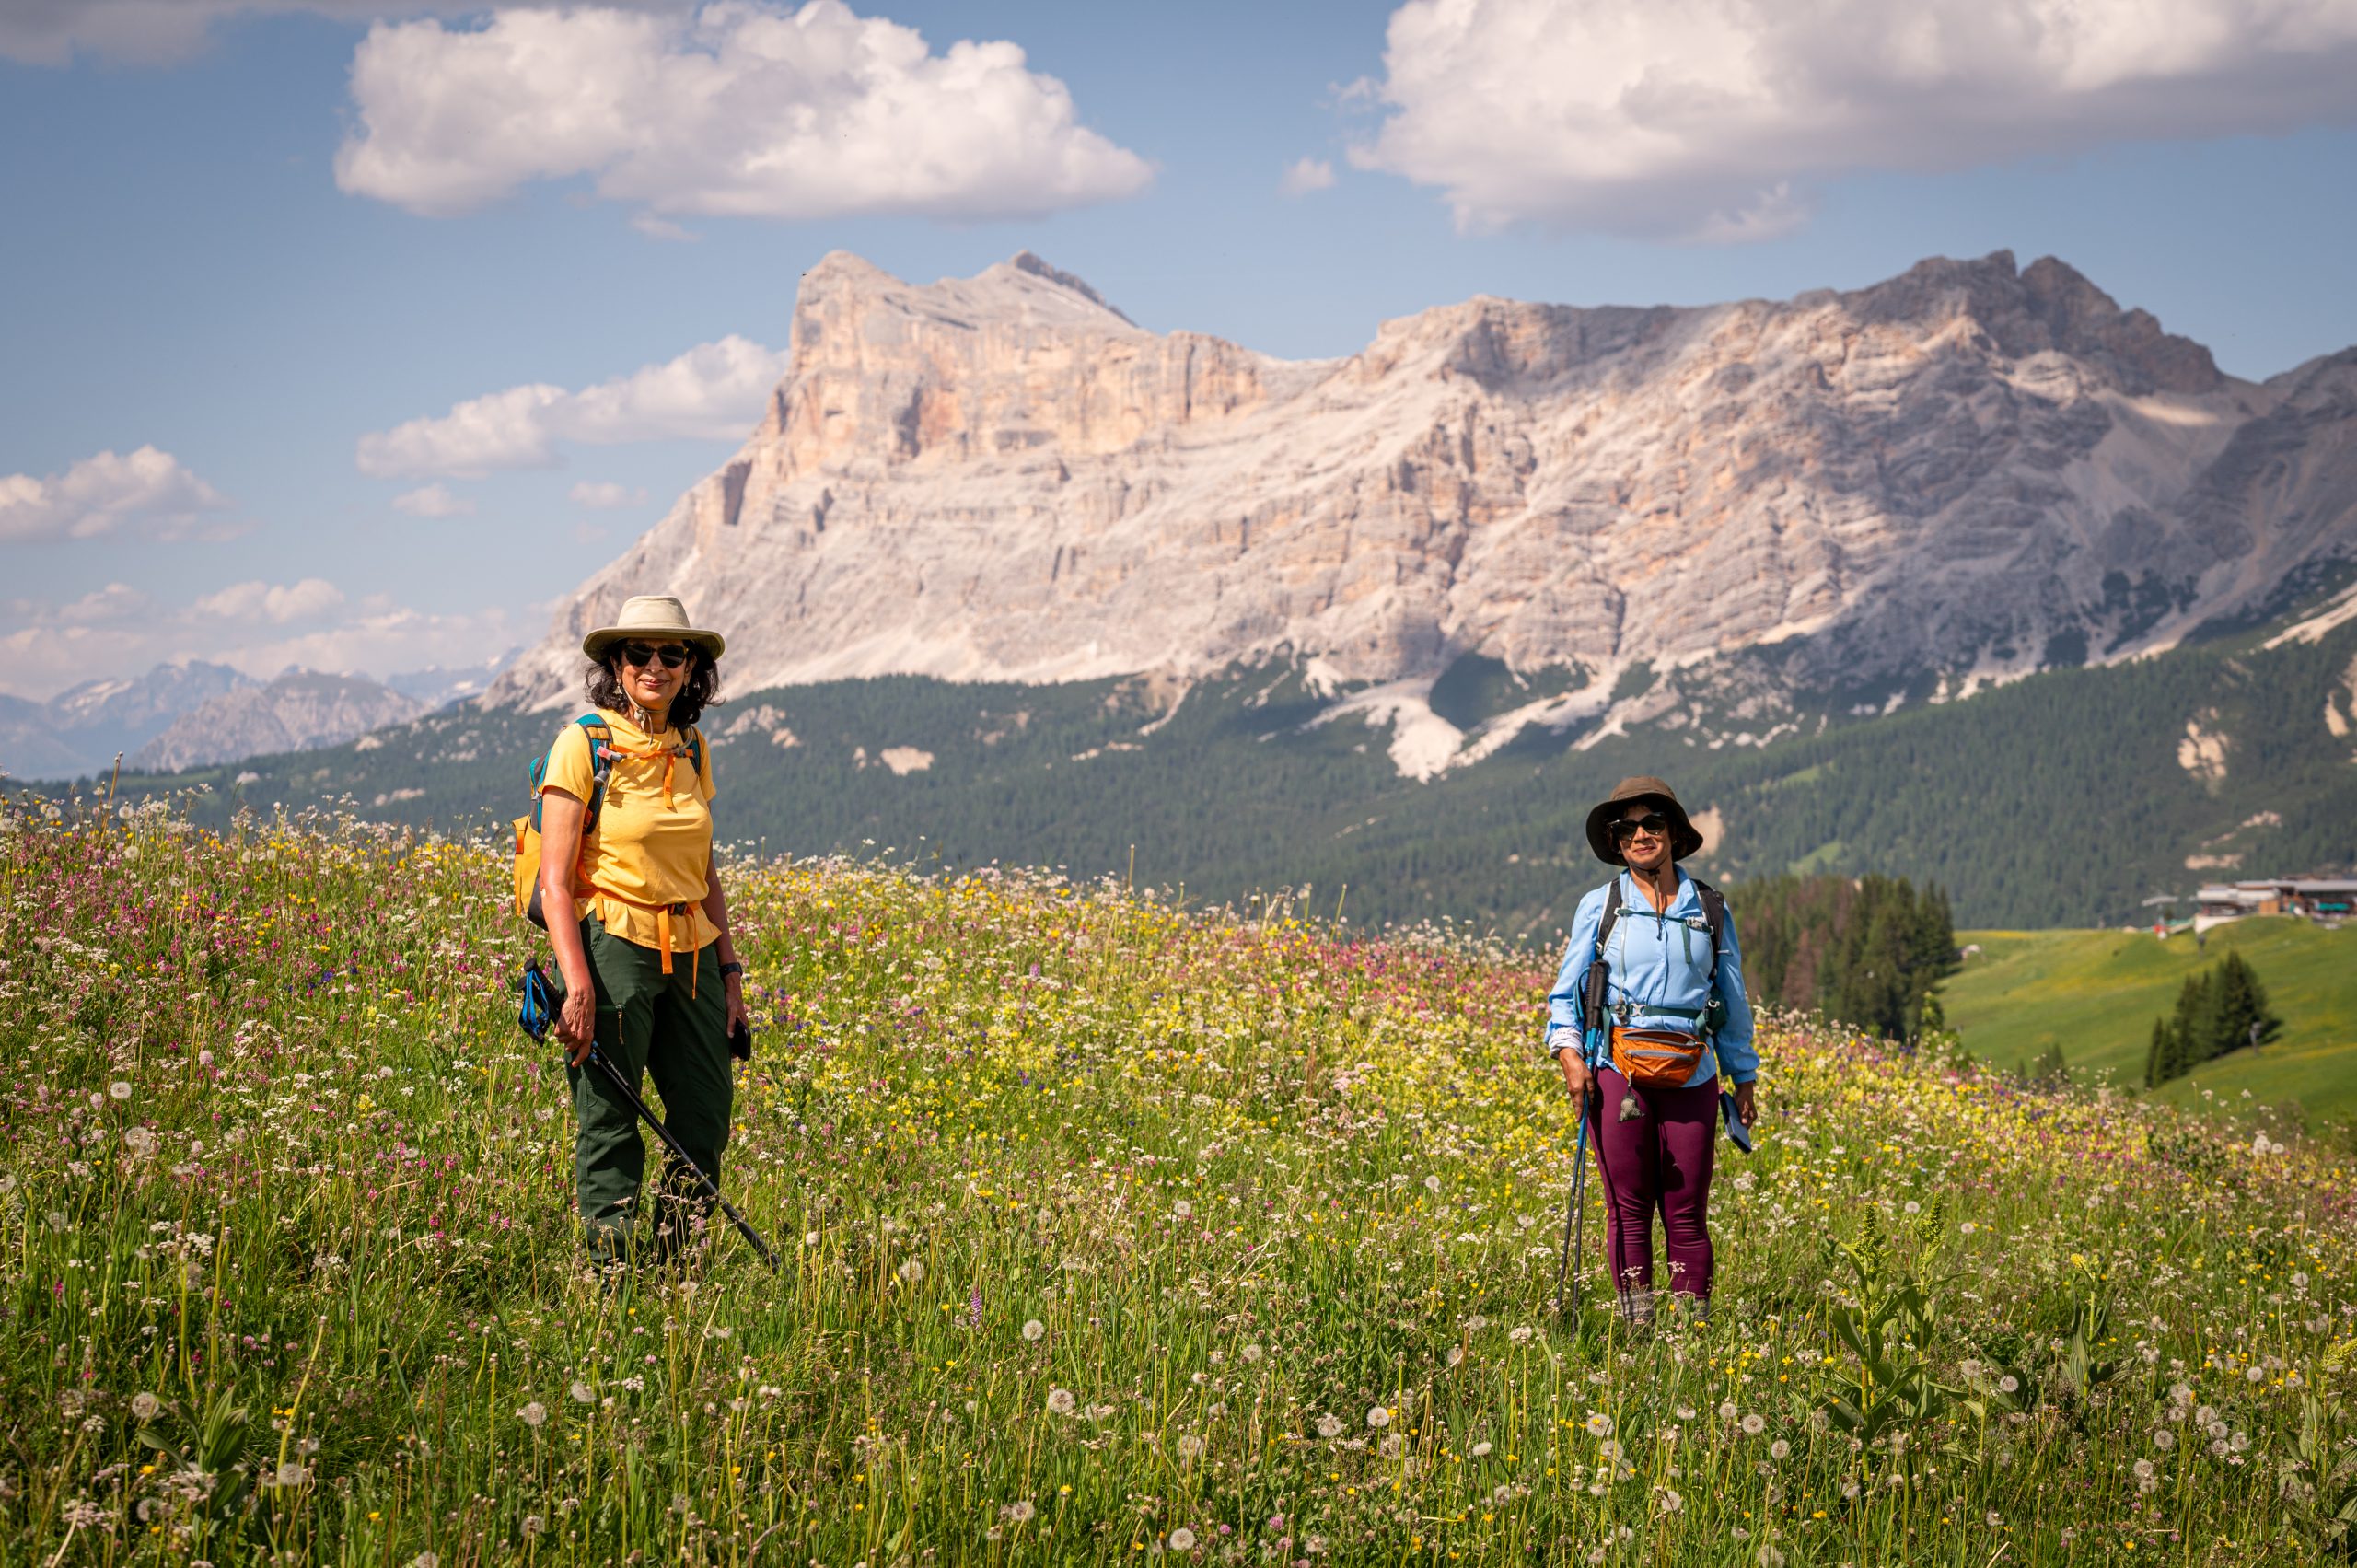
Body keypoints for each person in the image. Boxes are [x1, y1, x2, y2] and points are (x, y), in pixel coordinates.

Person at [539, 595, 749, 1274]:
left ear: (693, 668)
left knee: (705, 1119)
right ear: (616, 664)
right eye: (639, 653)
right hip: (613, 948)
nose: (655, 665)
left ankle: (673, 1262)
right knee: (610, 1118)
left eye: (672, 653)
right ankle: (610, 1276)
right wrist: (575, 981)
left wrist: (731, 974)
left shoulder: (690, 746)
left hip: (692, 953)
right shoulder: (584, 743)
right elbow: (553, 879)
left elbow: (704, 867)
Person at [1545, 776, 1756, 1328]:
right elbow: (1566, 992)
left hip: (1694, 1072)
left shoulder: (1708, 907)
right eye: (1627, 828)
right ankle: (1638, 1331)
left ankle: (1690, 1337)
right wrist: (1570, 1057)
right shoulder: (1601, 906)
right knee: (1630, 1210)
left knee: (1687, 1213)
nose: (1640, 835)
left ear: (1673, 833)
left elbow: (1731, 995)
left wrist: (1744, 1076)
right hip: (1618, 1071)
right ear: (1616, 843)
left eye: (1652, 824)